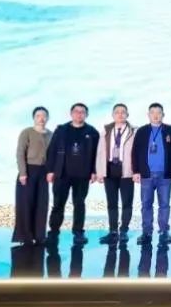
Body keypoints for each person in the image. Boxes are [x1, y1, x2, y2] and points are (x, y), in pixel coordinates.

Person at [45, 103, 99, 246]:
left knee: (79, 204)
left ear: (86, 115)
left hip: (82, 174)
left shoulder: (92, 132)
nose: (79, 114)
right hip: (62, 173)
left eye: (82, 112)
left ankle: (78, 232)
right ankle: (53, 231)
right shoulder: (61, 130)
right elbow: (52, 150)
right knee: (58, 203)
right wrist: (50, 170)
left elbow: (97, 154)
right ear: (71, 113)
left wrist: (94, 171)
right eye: (76, 111)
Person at [132, 103, 171, 246]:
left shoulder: (170, 130)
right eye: (152, 112)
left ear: (163, 114)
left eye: (158, 112)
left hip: (165, 174)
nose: (155, 115)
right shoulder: (142, 131)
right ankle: (146, 232)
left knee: (164, 204)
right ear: (148, 115)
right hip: (146, 174)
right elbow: (135, 152)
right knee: (146, 204)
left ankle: (164, 231)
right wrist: (136, 171)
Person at [95, 103, 136, 244]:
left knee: (127, 202)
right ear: (113, 115)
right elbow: (100, 152)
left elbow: (138, 153)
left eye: (123, 112)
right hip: (110, 169)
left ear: (127, 115)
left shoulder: (134, 131)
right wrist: (100, 172)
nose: (120, 114)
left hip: (127, 171)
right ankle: (113, 231)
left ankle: (123, 230)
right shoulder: (106, 131)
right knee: (111, 203)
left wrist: (137, 171)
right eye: (117, 112)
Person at [14, 106, 53, 245]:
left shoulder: (50, 134)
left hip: (44, 172)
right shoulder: (27, 132)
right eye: (38, 116)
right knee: (26, 203)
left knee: (42, 203)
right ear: (34, 118)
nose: (41, 118)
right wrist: (23, 173)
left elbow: (52, 155)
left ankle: (40, 236)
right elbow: (20, 153)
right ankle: (25, 236)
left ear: (47, 118)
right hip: (28, 171)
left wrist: (51, 171)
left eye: (44, 116)